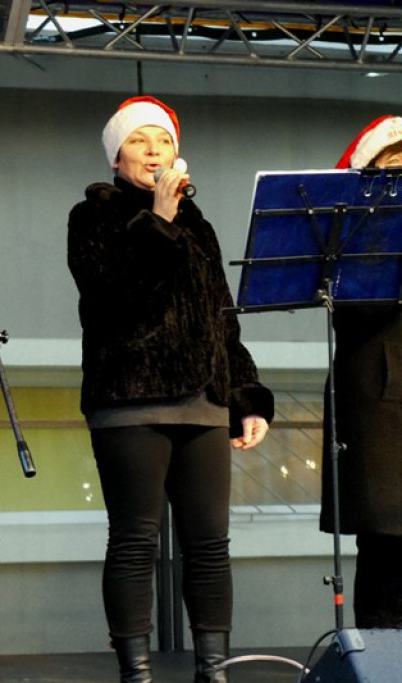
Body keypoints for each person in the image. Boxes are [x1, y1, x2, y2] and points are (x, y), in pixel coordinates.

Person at [66, 96, 274, 683]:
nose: (154, 149)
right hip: (130, 398)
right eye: (139, 140)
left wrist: (246, 395)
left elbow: (219, 317)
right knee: (135, 540)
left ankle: (214, 669)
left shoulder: (197, 220)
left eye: (163, 139)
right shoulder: (94, 216)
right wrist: (157, 218)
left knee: (209, 543)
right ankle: (137, 671)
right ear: (116, 156)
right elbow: (114, 299)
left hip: (204, 399)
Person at [322, 115, 402, 629]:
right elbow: (352, 314)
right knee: (387, 543)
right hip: (378, 399)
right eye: (393, 161)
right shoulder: (351, 228)